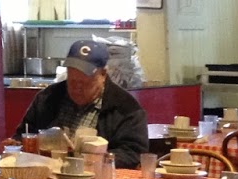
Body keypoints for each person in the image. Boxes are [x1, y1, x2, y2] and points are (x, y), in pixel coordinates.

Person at [14, 39, 148, 168]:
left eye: (85, 83)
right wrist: (16, 145)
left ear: (103, 74)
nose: (77, 88)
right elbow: (24, 134)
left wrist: (96, 159)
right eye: (72, 81)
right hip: (46, 176)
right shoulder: (48, 98)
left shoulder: (126, 108)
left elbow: (133, 152)